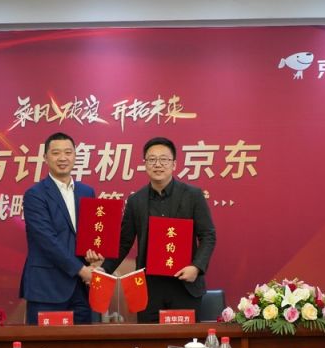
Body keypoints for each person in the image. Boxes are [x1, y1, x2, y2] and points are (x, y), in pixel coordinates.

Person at [88, 136, 216, 323]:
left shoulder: (193, 195)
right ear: (145, 164)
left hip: (185, 284)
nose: (158, 164)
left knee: (185, 339)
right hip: (148, 288)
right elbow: (124, 242)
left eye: (164, 159)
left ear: (174, 164)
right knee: (150, 339)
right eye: (152, 159)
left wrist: (196, 267)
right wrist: (104, 269)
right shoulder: (136, 201)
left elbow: (208, 235)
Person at [19, 132, 96, 325]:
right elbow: (47, 240)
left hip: (82, 290)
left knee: (83, 343)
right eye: (56, 153)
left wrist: (95, 258)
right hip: (47, 288)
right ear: (46, 158)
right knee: (44, 343)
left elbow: (91, 235)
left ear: (75, 156)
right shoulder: (35, 195)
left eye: (68, 152)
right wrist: (81, 270)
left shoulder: (87, 192)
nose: (63, 158)